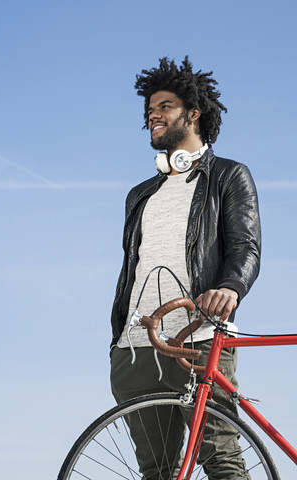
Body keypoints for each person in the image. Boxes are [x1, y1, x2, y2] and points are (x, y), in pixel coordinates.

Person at [110, 56, 261, 479]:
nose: (152, 115)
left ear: (193, 113)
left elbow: (246, 246)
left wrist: (231, 286)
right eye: (149, 111)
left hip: (200, 336)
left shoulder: (229, 176)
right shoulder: (140, 194)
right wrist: (118, 336)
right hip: (136, 344)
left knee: (220, 458)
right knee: (157, 471)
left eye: (164, 107)